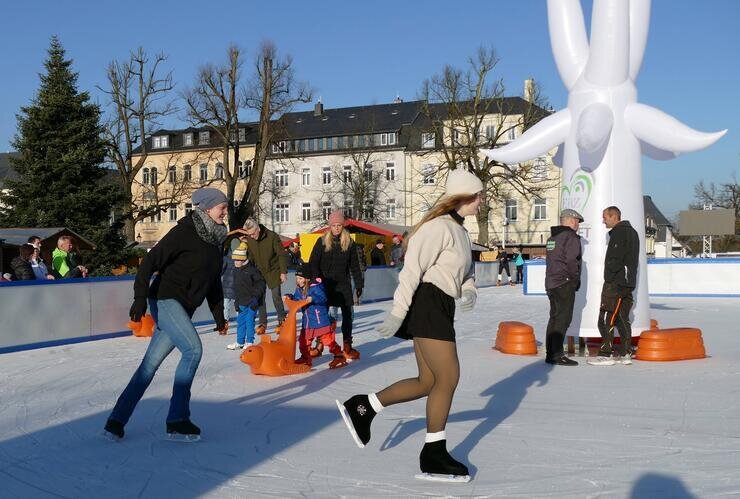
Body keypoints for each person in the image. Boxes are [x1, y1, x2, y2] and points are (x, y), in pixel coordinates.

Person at [336, 169, 482, 482]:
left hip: (442, 305)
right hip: (428, 304)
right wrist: (397, 313)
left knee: (428, 381)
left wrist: (469, 290)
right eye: (477, 196)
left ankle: (364, 406)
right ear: (462, 197)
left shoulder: (461, 231)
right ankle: (434, 452)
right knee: (449, 377)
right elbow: (411, 272)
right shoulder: (437, 228)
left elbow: (466, 273)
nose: (480, 202)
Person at [103, 187, 229, 442]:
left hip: (183, 308)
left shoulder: (217, 240)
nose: (226, 212)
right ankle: (177, 419)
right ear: (206, 208)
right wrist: (140, 298)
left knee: (149, 365)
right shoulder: (184, 232)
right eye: (222, 207)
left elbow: (213, 281)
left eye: (226, 207)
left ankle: (115, 420)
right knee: (193, 350)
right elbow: (149, 263)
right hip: (165, 299)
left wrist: (219, 316)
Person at [588, 206, 640, 366]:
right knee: (621, 317)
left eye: (605, 217)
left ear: (613, 216)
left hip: (616, 283)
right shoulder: (633, 232)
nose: (603, 221)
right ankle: (625, 353)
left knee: (605, 318)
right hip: (628, 282)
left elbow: (615, 259)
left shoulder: (619, 232)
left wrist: (609, 277)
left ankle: (606, 353)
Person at [309, 211, 364, 360]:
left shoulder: (349, 243)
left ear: (343, 226)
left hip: (343, 284)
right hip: (325, 285)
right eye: (334, 225)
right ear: (330, 226)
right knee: (323, 316)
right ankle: (320, 344)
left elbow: (355, 266)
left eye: (339, 225)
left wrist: (359, 284)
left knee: (348, 315)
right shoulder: (321, 242)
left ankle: (347, 345)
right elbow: (313, 262)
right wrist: (315, 281)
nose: (337, 228)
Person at [544, 209, 584, 366]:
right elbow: (572, 260)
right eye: (577, 221)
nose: (578, 225)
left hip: (551, 283)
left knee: (554, 318)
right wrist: (574, 279)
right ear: (571, 220)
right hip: (564, 283)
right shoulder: (570, 237)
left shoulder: (552, 238)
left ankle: (551, 353)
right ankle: (557, 355)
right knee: (563, 319)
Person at [291, 264, 346, 369]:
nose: (298, 280)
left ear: (307, 278)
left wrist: (312, 299)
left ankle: (339, 355)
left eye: (300, 278)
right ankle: (306, 358)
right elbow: (296, 298)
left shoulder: (316, 287)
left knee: (327, 340)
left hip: (319, 320)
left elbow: (322, 298)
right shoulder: (299, 289)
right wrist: (289, 297)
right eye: (297, 278)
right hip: (307, 321)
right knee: (303, 340)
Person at [240, 218, 288, 335]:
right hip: (259, 272)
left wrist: (283, 272)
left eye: (253, 233)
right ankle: (262, 323)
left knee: (276, 296)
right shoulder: (250, 240)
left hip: (273, 271)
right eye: (249, 234)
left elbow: (281, 255)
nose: (252, 236)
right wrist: (247, 269)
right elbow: (251, 256)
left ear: (258, 229)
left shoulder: (272, 237)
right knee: (260, 297)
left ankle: (282, 320)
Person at [227, 241, 266, 350]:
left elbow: (261, 284)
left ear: (243, 259)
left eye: (237, 260)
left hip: (252, 301)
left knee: (249, 321)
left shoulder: (252, 270)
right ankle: (240, 341)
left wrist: (255, 298)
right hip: (241, 301)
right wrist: (236, 302)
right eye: (234, 259)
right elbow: (236, 288)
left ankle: (249, 341)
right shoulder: (236, 271)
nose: (235, 262)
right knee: (240, 322)